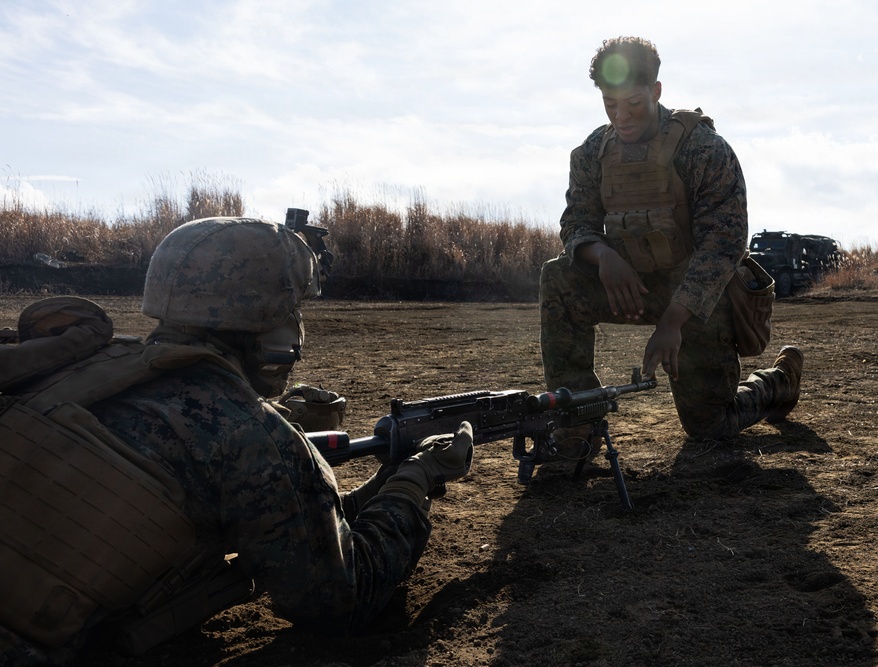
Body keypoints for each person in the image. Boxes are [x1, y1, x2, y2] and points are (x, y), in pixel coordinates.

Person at [0, 215, 473, 665]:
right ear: (269, 318)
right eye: (294, 311)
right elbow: (341, 598)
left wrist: (382, 484)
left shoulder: (81, 366)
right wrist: (417, 478)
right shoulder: (248, 431)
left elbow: (283, 528)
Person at [539, 36, 803, 447]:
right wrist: (603, 254)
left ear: (656, 91)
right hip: (632, 287)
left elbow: (724, 243)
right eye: (610, 105)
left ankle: (777, 384)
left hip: (697, 299)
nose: (621, 117)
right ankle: (578, 421)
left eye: (633, 104)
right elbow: (576, 223)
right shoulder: (593, 152)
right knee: (558, 277)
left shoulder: (703, 149)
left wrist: (673, 320)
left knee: (709, 427)